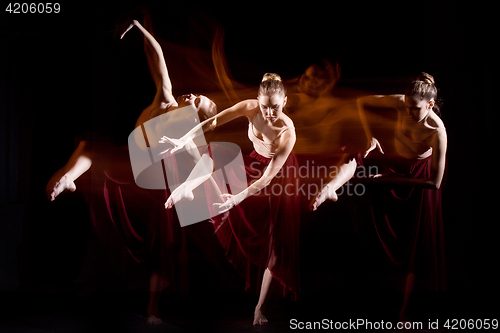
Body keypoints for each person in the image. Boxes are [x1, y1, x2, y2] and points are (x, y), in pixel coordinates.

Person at [45, 17, 216, 324]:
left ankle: (152, 311)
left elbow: (207, 164)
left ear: (202, 115)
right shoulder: (164, 101)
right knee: (88, 146)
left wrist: (187, 186)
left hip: (146, 177)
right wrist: (138, 27)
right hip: (129, 164)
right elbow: (157, 57)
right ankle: (67, 181)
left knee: (165, 249)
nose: (192, 95)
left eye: (199, 100)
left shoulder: (189, 133)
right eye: (195, 95)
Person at [161, 73, 299, 325]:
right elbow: (213, 122)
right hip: (253, 163)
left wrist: (237, 198)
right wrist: (183, 139)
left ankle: (260, 308)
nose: (269, 113)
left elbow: (268, 178)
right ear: (257, 101)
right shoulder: (250, 108)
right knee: (215, 151)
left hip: (277, 177)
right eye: (265, 107)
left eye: (276, 108)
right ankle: (188, 187)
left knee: (276, 247)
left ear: (285, 102)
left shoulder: (287, 133)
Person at [312, 72, 447, 320]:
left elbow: (435, 183)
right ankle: (330, 188)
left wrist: (386, 180)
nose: (407, 112)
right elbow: (361, 103)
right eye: (406, 106)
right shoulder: (402, 102)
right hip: (394, 163)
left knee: (412, 247)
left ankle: (405, 313)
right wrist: (368, 135)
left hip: (416, 179)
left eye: (414, 109)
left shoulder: (437, 131)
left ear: (429, 105)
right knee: (356, 150)